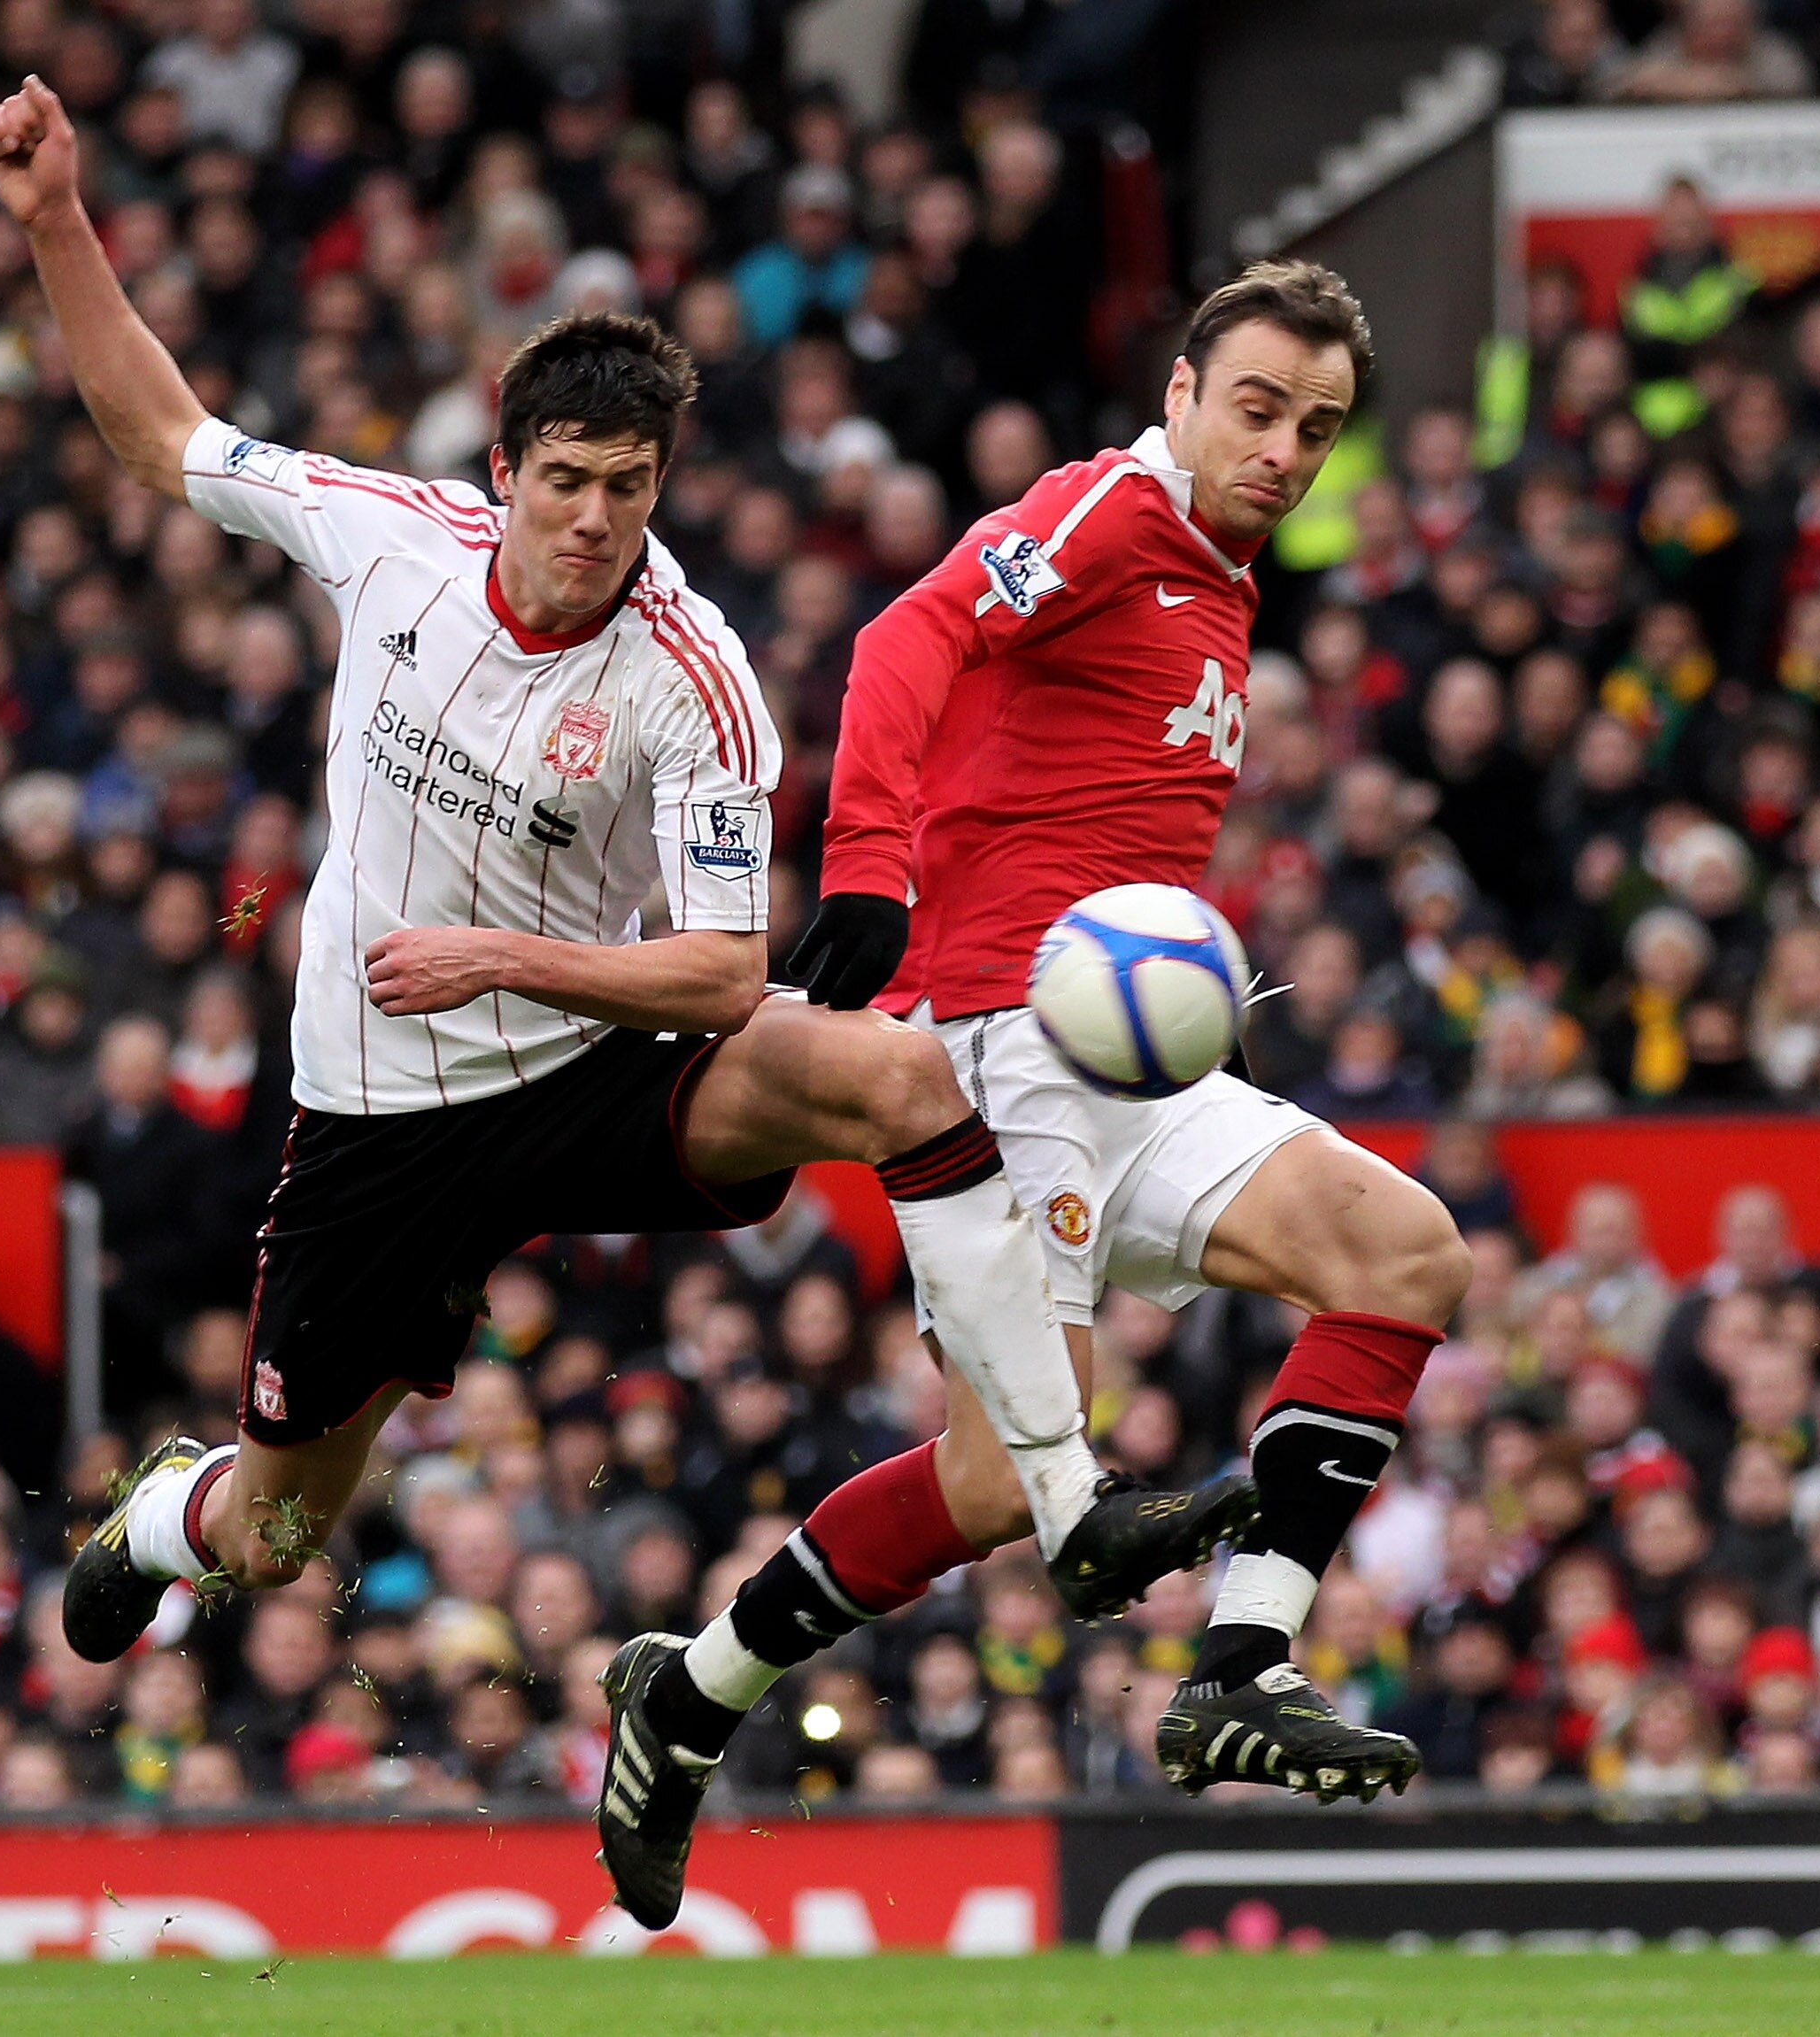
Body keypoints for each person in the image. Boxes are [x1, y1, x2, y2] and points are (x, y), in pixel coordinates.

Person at [0, 78, 1240, 1725]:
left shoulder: (694, 682)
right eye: (564, 479)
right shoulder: (389, 537)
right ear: (502, 466)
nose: (591, 520)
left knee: (903, 1078)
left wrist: (498, 958)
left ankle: (1064, 1487)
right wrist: (55, 217)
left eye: (628, 487)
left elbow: (722, 976)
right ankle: (164, 1515)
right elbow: (163, 435)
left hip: (589, 1065)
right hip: (379, 1114)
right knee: (277, 1536)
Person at [605, 260, 1471, 1923]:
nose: (1284, 449)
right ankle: (698, 1687)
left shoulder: (1219, 574)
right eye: (1258, 409)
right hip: (1001, 1039)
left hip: (1140, 1060)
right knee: (1010, 1480)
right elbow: (907, 630)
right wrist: (864, 859)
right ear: (1181, 397)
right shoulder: (1112, 515)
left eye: (1319, 427)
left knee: (1408, 1253)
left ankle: (1237, 1668)